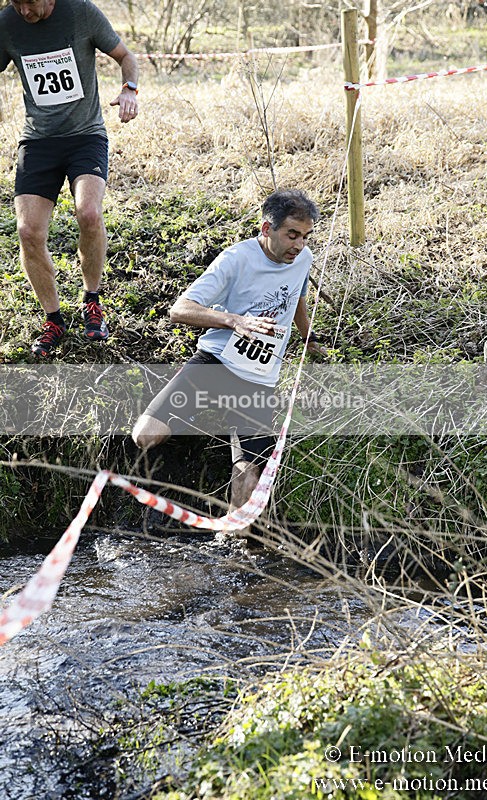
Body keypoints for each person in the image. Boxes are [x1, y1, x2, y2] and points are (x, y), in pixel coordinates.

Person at [133, 189, 327, 531]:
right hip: (215, 364)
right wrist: (234, 320)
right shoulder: (235, 259)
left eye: (305, 236)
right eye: (292, 235)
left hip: (258, 378)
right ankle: (186, 444)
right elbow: (180, 310)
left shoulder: (303, 258)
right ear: (267, 229)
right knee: (146, 435)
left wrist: (308, 337)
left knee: (250, 472)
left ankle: (233, 544)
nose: (299, 245)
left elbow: (297, 294)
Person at [0, 0, 139, 356]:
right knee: (28, 231)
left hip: (85, 136)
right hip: (38, 141)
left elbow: (127, 57)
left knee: (89, 213)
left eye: (28, 3)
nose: (22, 11)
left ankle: (92, 300)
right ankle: (53, 319)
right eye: (14, 3)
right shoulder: (7, 23)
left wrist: (129, 89)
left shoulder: (81, 12)